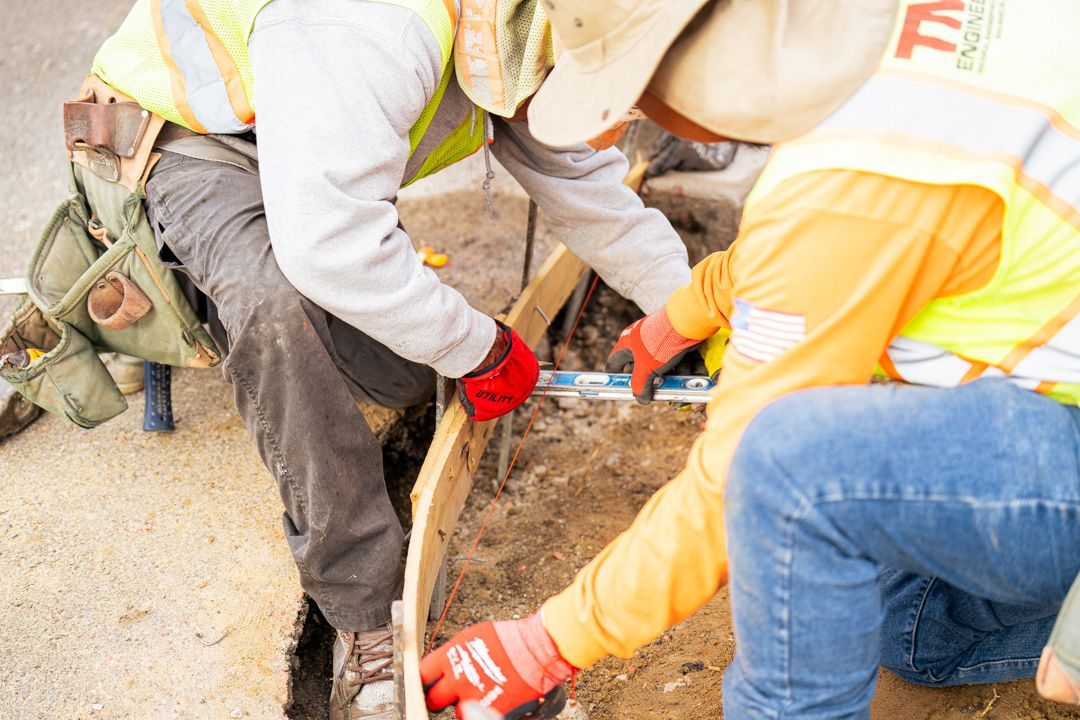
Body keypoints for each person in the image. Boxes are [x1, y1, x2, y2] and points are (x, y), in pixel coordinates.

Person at [420, 0, 1080, 718]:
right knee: (912, 628)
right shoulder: (885, 47)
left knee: (795, 476)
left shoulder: (847, 186)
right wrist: (692, 307)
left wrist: (548, 643)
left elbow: (738, 478)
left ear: (677, 90)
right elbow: (856, 230)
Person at [81, 1, 694, 718]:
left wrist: (695, 313)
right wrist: (479, 346)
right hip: (192, 139)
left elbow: (592, 193)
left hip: (308, 136)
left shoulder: (526, 39)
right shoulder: (374, 26)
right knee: (279, 309)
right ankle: (366, 619)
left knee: (403, 372)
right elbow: (328, 248)